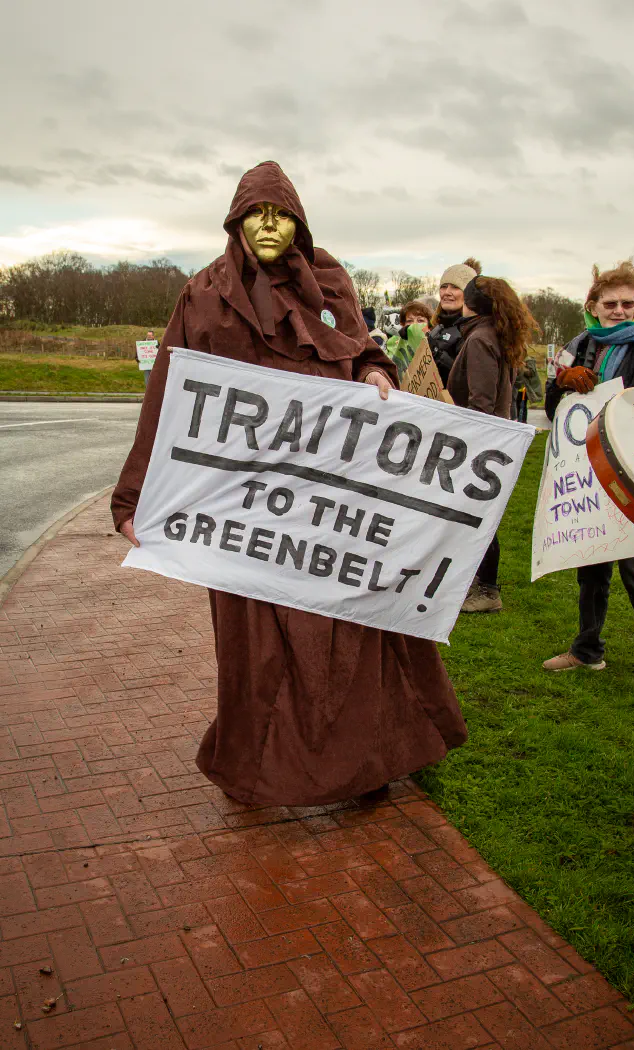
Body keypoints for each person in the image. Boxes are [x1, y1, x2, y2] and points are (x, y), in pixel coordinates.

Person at [111, 161, 467, 806]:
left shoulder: (331, 285)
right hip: (241, 507)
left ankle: (366, 763)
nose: (270, 225)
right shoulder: (202, 295)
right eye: (257, 213)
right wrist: (134, 494)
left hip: (331, 500)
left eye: (282, 214)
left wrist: (375, 372)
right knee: (256, 646)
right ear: (236, 221)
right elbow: (168, 395)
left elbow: (362, 349)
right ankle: (258, 769)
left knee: (350, 634)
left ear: (300, 223)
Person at [543, 259, 634, 688]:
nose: (620, 311)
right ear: (593, 304)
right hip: (587, 468)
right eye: (611, 303)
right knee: (590, 561)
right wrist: (564, 382)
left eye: (628, 303)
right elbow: (554, 410)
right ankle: (587, 650)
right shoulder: (580, 344)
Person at [447, 274, 539, 614]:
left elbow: (481, 403)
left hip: (479, 443)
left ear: (471, 304)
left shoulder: (480, 339)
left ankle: (487, 590)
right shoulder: (494, 335)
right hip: (492, 438)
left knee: (478, 517)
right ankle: (474, 584)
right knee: (477, 516)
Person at [428, 258, 481, 385]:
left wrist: (437, 353)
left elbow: (470, 380)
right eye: (444, 287)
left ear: (469, 293)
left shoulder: (475, 330)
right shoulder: (436, 327)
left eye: (455, 287)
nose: (447, 292)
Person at [384, 300, 433, 382]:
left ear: (428, 325)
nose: (414, 324)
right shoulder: (393, 343)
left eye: (420, 321)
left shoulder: (435, 343)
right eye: (410, 321)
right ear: (403, 325)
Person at [511, 354, 542, 423]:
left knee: (522, 405)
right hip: (517, 386)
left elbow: (531, 373)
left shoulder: (529, 360)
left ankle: (523, 421)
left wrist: (522, 367)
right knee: (516, 404)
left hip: (524, 388)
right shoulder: (518, 359)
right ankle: (518, 421)